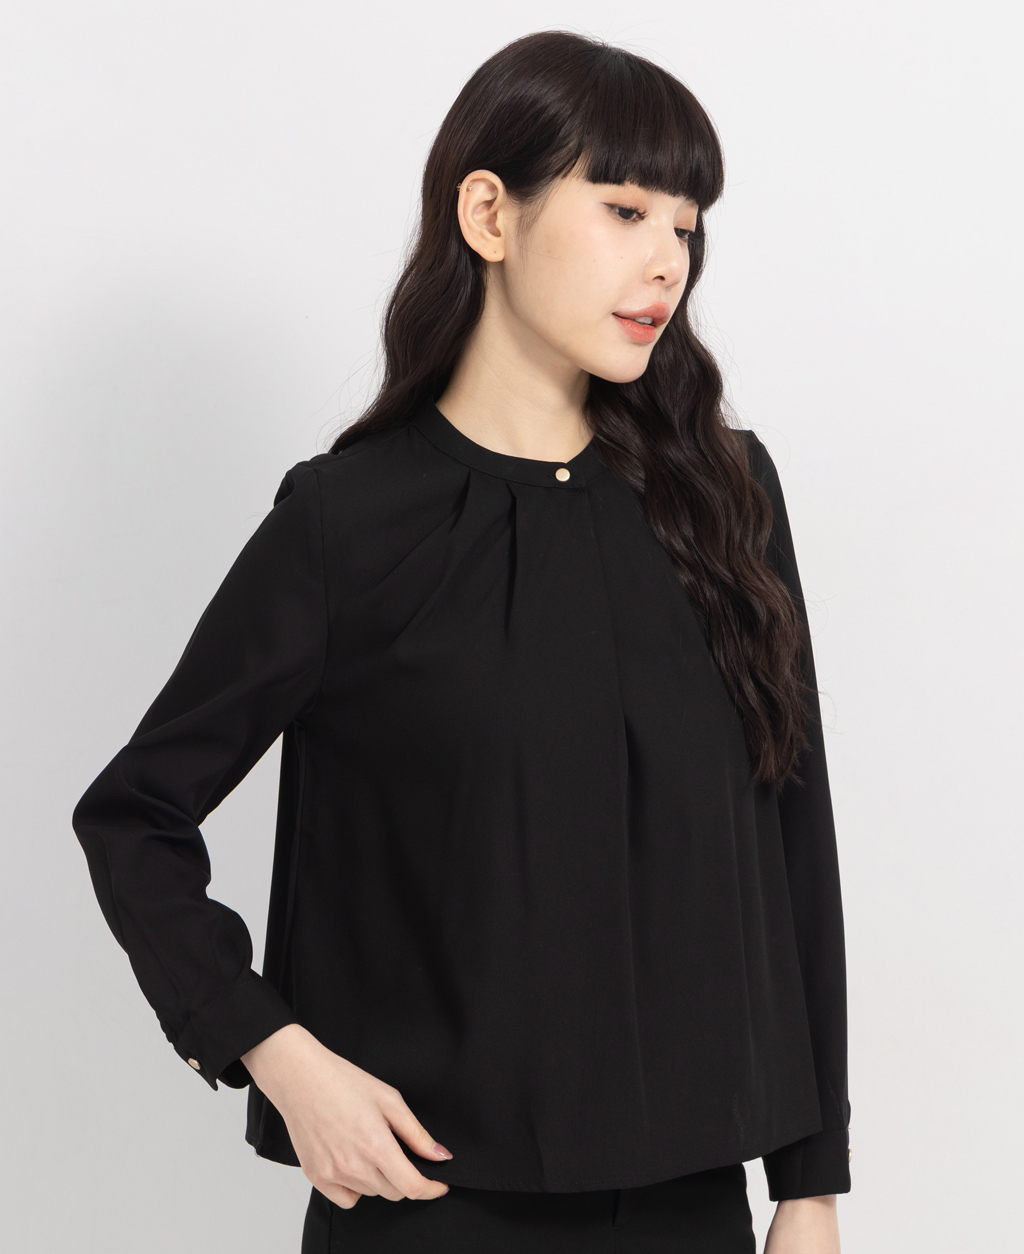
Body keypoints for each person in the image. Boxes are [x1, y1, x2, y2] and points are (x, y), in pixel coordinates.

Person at [72, 28, 851, 1254]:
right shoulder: (345, 523)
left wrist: (810, 1186)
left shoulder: (725, 496)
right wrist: (272, 1049)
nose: (667, 260)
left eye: (686, 225)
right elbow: (133, 818)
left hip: (692, 1209)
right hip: (424, 1213)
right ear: (489, 213)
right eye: (625, 210)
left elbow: (791, 832)